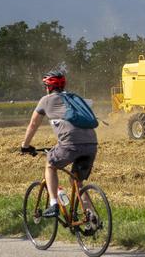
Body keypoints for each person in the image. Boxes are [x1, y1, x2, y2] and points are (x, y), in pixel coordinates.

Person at [21, 71, 98, 218]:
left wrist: (25, 145)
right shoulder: (74, 98)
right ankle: (91, 216)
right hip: (91, 143)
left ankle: (53, 204)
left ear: (48, 87)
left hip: (70, 144)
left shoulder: (46, 100)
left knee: (50, 164)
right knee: (77, 181)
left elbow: (33, 124)